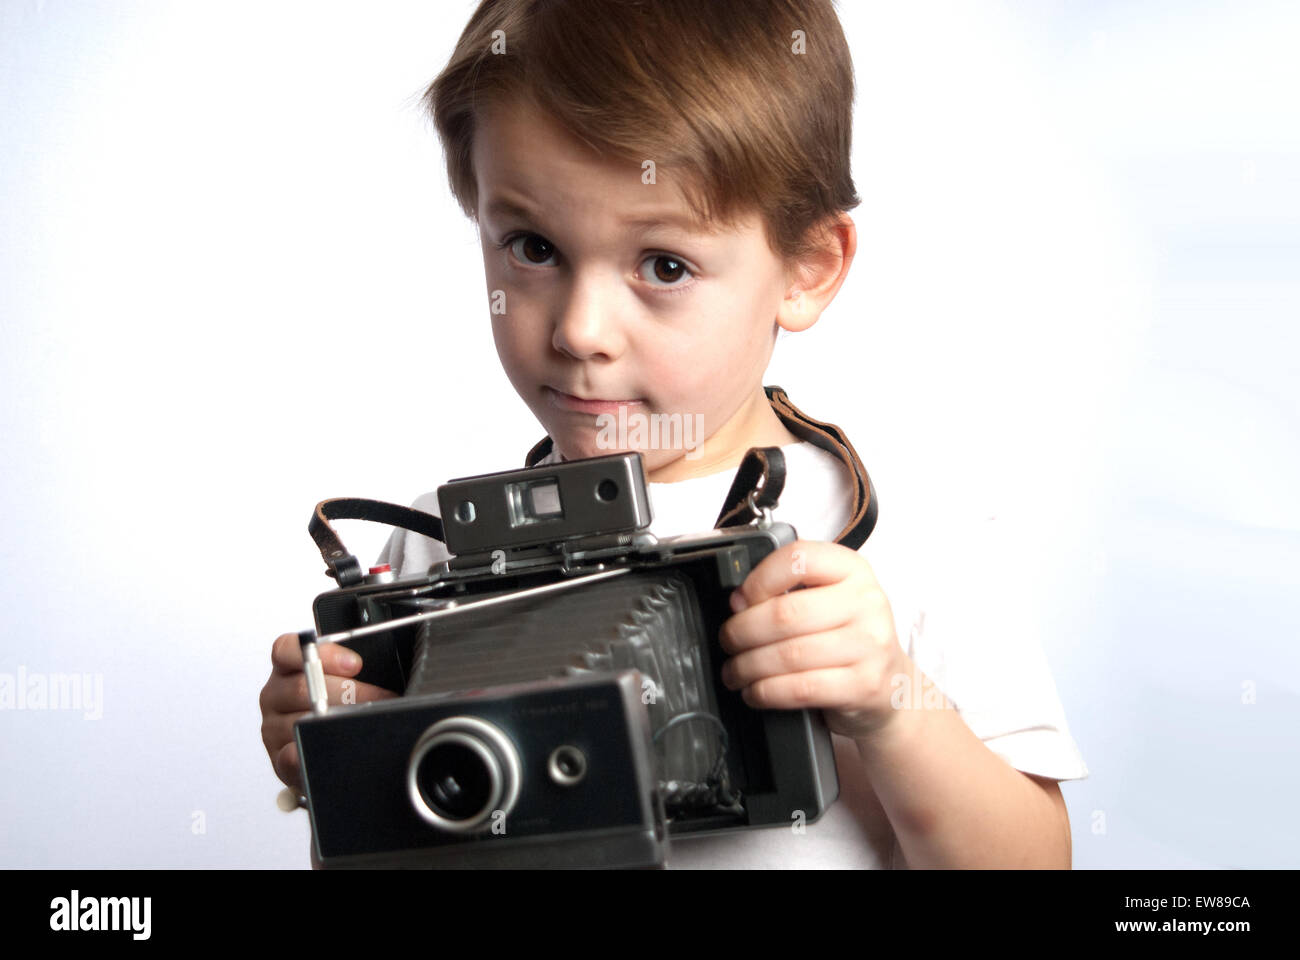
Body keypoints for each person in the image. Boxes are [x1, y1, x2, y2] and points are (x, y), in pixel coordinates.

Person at [259, 0, 1088, 869]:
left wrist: (890, 702)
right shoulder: (437, 553)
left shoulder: (913, 538)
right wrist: (348, 773)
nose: (581, 330)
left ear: (807, 268)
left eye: (664, 266)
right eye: (532, 248)